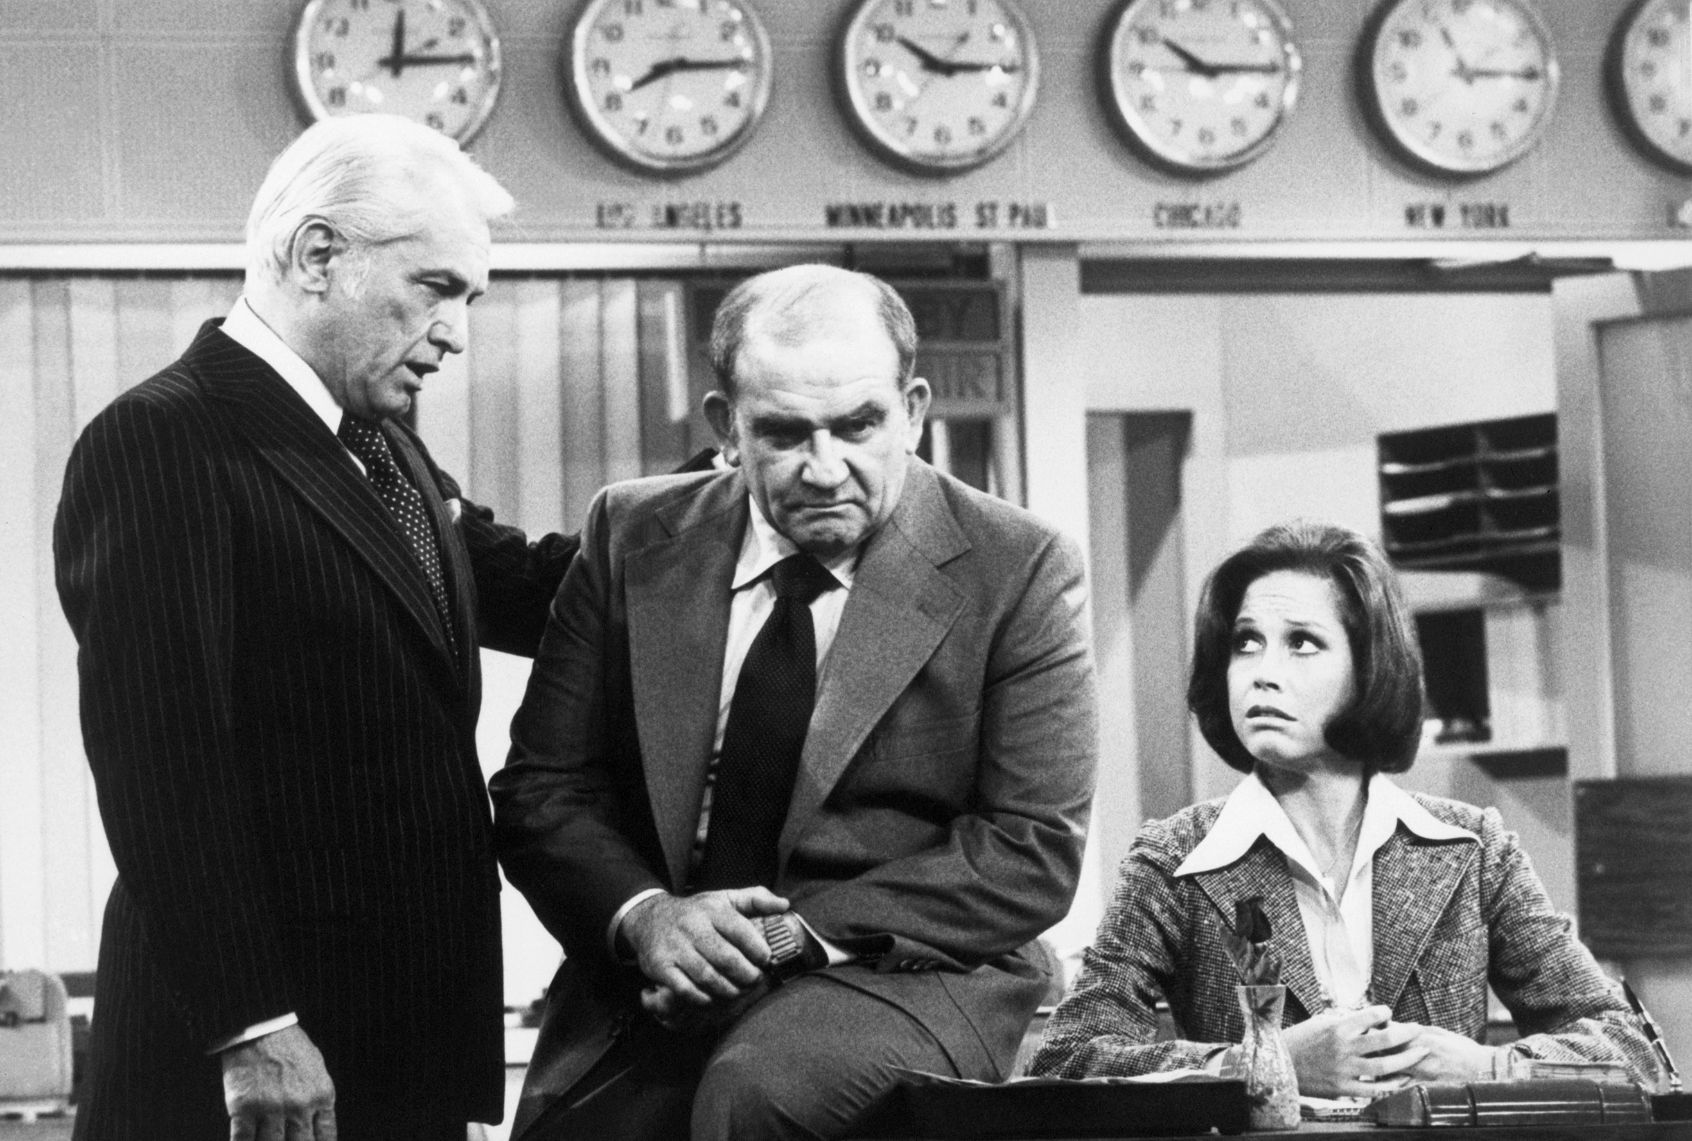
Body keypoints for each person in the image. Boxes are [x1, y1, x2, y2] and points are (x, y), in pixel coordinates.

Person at [53, 114, 577, 1141]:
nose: (459, 331)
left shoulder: (384, 452)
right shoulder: (167, 437)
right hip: (254, 1058)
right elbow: (163, 760)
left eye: (470, 298)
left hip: (397, 1043)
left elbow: (526, 588)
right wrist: (253, 1025)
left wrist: (717, 510)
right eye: (437, 288)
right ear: (318, 254)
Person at [489, 263, 1099, 1141]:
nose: (825, 469)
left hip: (901, 969)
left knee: (756, 1090)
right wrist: (649, 918)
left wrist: (782, 941)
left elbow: (1028, 851)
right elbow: (544, 791)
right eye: (783, 433)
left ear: (915, 411)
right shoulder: (628, 533)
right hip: (666, 969)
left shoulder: (1020, 565)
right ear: (723, 427)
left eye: (859, 426)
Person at [1029, 521, 1658, 1096]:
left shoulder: (1473, 851)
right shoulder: (1172, 860)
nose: (1261, 673)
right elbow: (1068, 1058)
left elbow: (1633, 1053)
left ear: (1370, 668)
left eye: (1302, 643)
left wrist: (1488, 1067)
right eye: (1246, 643)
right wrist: (1264, 1061)